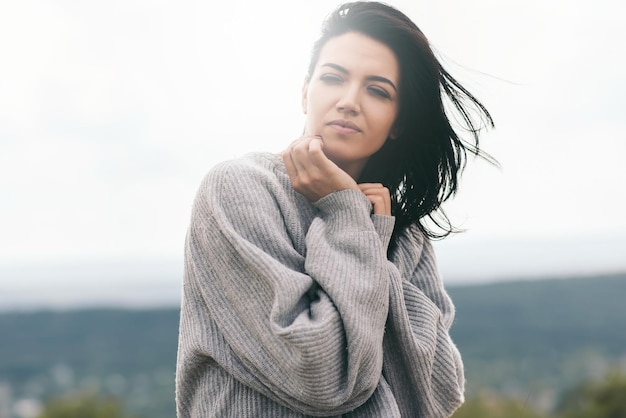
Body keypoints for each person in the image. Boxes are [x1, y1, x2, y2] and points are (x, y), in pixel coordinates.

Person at [175, 1, 495, 417]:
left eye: (378, 90)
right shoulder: (239, 190)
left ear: (397, 121)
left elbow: (437, 394)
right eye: (333, 78)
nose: (349, 101)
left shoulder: (400, 230)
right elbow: (322, 379)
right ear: (305, 92)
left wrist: (371, 230)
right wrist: (346, 217)